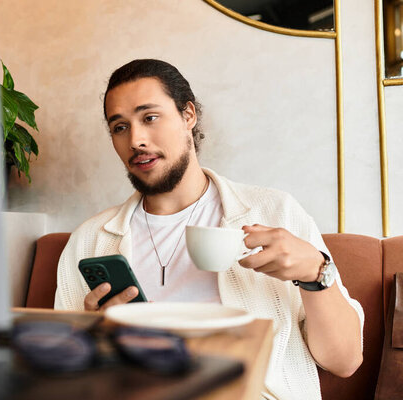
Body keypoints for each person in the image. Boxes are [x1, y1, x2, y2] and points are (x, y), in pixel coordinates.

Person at [53, 59, 363, 400]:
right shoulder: (90, 241)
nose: (136, 140)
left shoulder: (274, 211)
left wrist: (315, 273)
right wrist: (97, 339)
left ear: (188, 115)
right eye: (119, 127)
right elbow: (60, 378)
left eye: (150, 117)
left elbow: (344, 361)